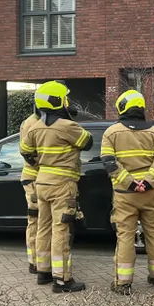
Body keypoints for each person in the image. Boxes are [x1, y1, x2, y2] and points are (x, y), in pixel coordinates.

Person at [20, 81, 93, 292]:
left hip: (41, 182)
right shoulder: (67, 126)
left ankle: (43, 272)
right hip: (62, 185)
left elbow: (25, 151)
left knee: (43, 227)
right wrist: (70, 117)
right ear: (58, 100)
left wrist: (40, 164)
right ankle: (62, 280)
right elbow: (87, 142)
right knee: (61, 229)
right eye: (65, 98)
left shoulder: (35, 127)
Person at [101, 90, 154, 295]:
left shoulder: (111, 133)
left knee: (125, 236)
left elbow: (109, 163)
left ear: (122, 107)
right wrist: (147, 182)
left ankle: (123, 283)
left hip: (125, 194)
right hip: (151, 193)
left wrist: (130, 183)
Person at [19, 108, 41, 274]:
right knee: (36, 220)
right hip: (34, 179)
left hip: (38, 178)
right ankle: (35, 261)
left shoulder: (35, 121)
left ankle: (38, 260)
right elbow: (28, 153)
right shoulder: (32, 123)